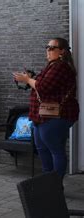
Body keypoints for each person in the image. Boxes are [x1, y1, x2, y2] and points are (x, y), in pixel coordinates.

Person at [13, 37, 79, 181]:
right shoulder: (51, 66)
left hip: (56, 116)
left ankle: (55, 184)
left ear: (61, 51)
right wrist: (30, 78)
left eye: (51, 48)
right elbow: (40, 84)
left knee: (55, 150)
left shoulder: (60, 66)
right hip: (42, 116)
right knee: (42, 149)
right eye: (46, 47)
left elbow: (43, 88)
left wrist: (27, 80)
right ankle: (48, 182)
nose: (47, 50)